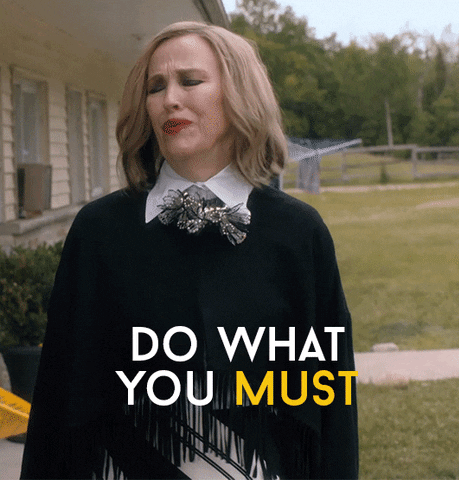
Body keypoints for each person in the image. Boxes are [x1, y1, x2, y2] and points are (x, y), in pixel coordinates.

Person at [20, 21, 358, 480]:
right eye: (155, 87)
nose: (169, 100)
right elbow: (60, 397)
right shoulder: (98, 232)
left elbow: (331, 406)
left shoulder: (298, 233)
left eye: (190, 80)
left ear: (240, 94)